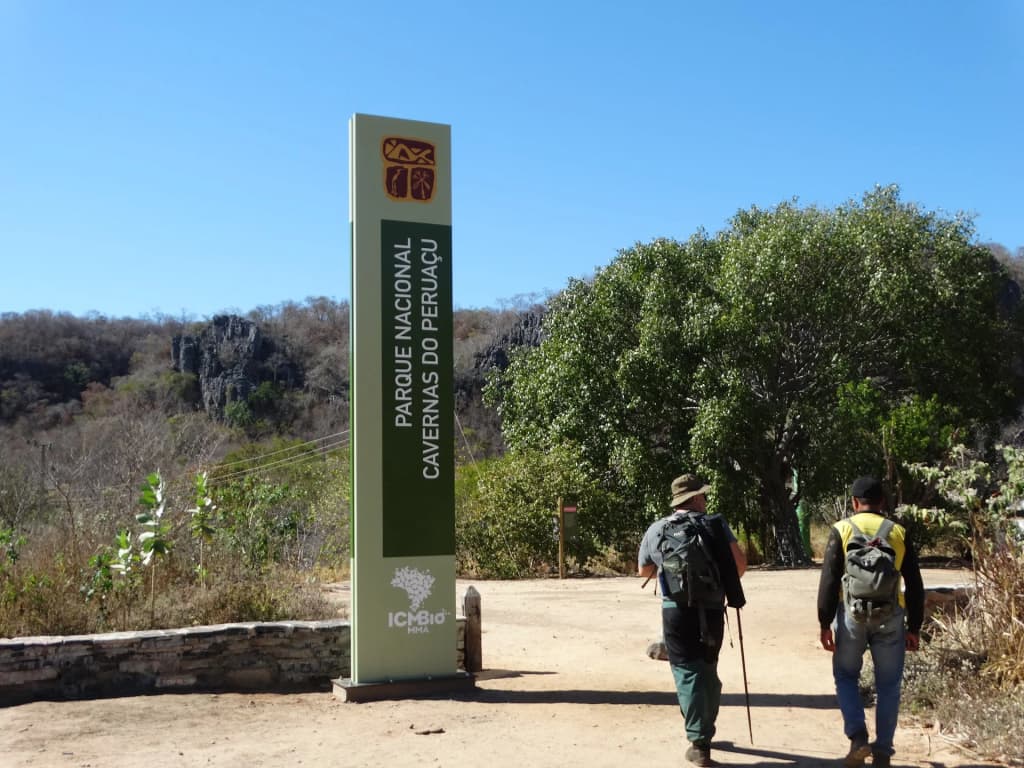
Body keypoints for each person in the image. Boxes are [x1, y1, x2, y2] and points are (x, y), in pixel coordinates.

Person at [638, 473, 747, 767]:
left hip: (675, 611)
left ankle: (699, 743)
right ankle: (703, 731)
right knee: (707, 669)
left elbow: (644, 571)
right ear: (696, 498)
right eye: (703, 495)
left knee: (687, 672)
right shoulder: (714, 525)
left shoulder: (658, 528)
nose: (706, 499)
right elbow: (740, 565)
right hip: (712, 610)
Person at [817, 476, 925, 768]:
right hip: (891, 617)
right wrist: (915, 627)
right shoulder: (898, 532)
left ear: (854, 503)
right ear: (882, 503)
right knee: (888, 685)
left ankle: (857, 736)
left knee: (846, 676)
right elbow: (914, 583)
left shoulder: (842, 530)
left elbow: (828, 580)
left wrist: (825, 623)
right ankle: (883, 753)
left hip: (851, 616)